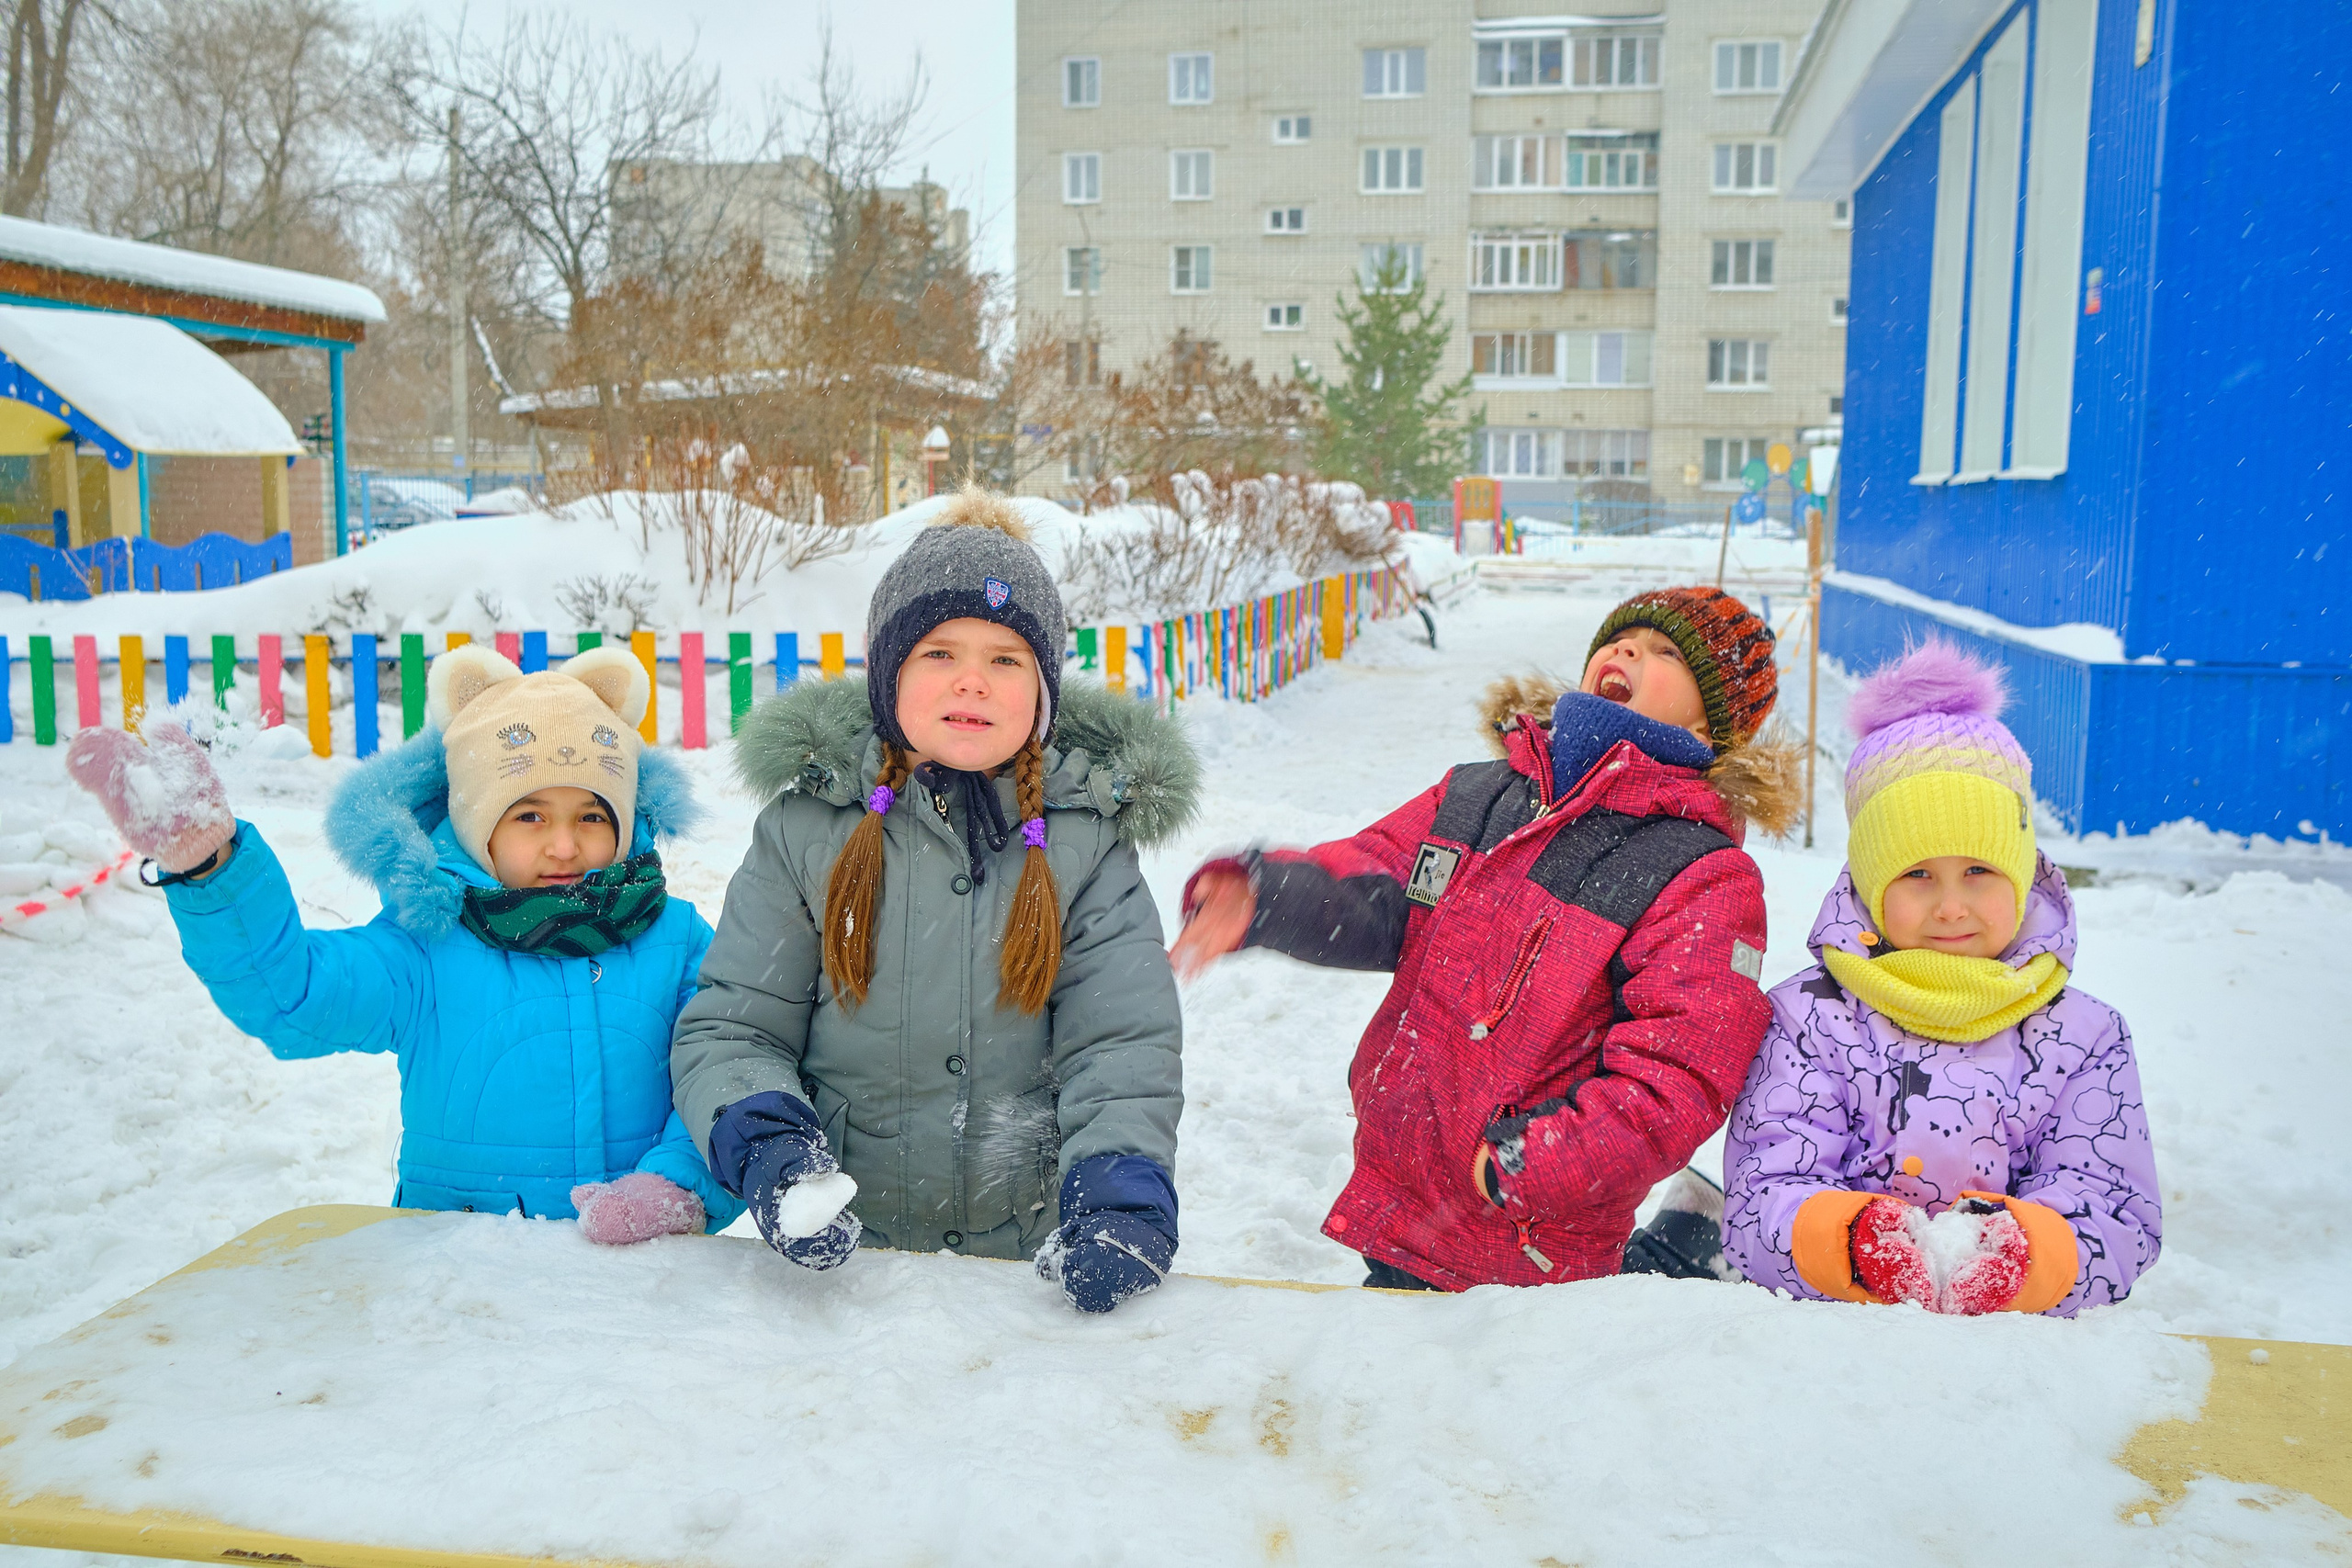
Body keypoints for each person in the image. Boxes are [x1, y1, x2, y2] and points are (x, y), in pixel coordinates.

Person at [1173, 586, 1798, 1291]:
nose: (1628, 650)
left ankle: (1680, 1257)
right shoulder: (1479, 796)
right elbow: (1377, 883)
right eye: (1622, 638)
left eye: (1666, 654)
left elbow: (1677, 1076)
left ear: (1711, 727)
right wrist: (1268, 895)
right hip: (1410, 1195)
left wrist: (1534, 1162)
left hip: (1531, 1238)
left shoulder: (1701, 873)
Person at [670, 488, 1197, 1314]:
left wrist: (1118, 1188)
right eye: (940, 652)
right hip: (843, 1277)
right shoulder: (810, 828)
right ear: (889, 673)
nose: (973, 682)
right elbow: (735, 1024)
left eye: (1006, 659)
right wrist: (774, 1149)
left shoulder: (1086, 842)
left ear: (1043, 691)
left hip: (1024, 1272)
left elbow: (1120, 1041)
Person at [65, 646, 742, 1242]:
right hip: (459, 1285)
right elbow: (294, 998)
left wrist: (676, 1187)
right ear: (477, 824)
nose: (564, 844)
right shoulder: (427, 946)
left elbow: (728, 1073)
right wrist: (212, 868)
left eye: (592, 815)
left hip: (645, 1282)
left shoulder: (677, 939)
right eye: (529, 814)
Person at [1722, 641, 2161, 1315]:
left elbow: (2113, 1206)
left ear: (2020, 875)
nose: (1952, 904)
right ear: (1872, 885)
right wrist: (1850, 1243)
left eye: (1980, 871)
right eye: (1918, 874)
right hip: (1839, 1342)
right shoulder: (1811, 1018)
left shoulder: (2083, 1036)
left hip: (2020, 1360)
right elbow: (1764, 1195)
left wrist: (2025, 1255)